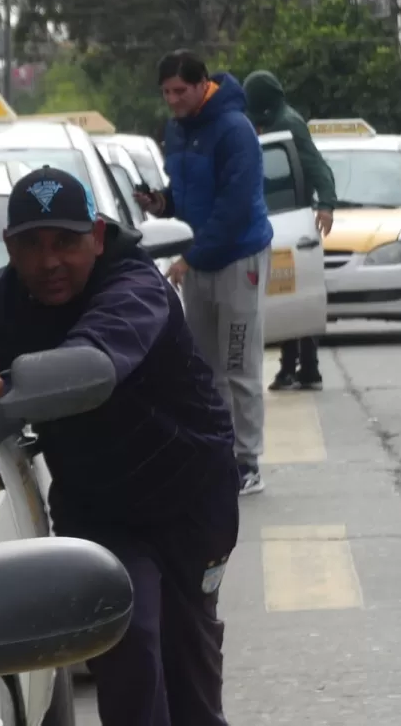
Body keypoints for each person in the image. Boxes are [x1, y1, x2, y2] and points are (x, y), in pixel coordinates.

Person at [0, 166, 239, 726]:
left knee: (191, 675)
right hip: (99, 508)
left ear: (98, 237)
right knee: (128, 648)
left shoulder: (135, 287)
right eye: (32, 245)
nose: (49, 261)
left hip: (190, 499)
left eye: (65, 242)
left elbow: (91, 367)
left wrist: (5, 387)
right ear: (10, 247)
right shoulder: (2, 301)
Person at [134, 50, 273, 497]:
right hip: (197, 258)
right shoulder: (178, 130)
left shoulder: (235, 130)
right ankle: (218, 452)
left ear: (202, 85)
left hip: (237, 258)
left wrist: (189, 259)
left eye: (179, 91)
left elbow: (234, 207)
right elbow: (185, 194)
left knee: (238, 364)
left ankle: (248, 461)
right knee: (205, 367)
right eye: (165, 92)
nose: (172, 100)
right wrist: (161, 204)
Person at [243, 69, 337, 392]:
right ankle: (299, 368)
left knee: (291, 294)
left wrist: (326, 203)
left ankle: (302, 367)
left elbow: (317, 166)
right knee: (288, 296)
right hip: (283, 220)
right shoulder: (275, 120)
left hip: (290, 219)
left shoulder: (287, 124)